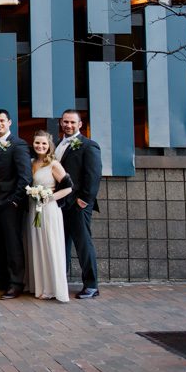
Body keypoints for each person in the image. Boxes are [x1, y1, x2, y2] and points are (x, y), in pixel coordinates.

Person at [0, 109, 32, 300]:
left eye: (2, 121)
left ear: (10, 122)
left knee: (13, 244)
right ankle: (1, 279)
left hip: (10, 203)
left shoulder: (18, 144)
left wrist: (14, 200)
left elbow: (25, 176)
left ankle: (15, 283)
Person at [56, 109, 102, 299]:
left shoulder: (88, 145)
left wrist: (84, 200)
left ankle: (91, 285)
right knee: (62, 244)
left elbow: (93, 175)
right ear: (61, 122)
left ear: (80, 124)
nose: (68, 125)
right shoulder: (59, 145)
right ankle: (60, 281)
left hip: (78, 204)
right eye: (66, 122)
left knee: (83, 244)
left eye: (72, 122)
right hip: (61, 203)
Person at [29, 131, 73, 303]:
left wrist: (49, 197)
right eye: (37, 143)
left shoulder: (54, 164)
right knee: (37, 245)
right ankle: (41, 286)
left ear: (49, 146)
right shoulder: (32, 162)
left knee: (49, 245)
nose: (40, 146)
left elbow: (69, 187)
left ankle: (52, 288)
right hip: (34, 209)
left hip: (49, 209)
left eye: (44, 144)